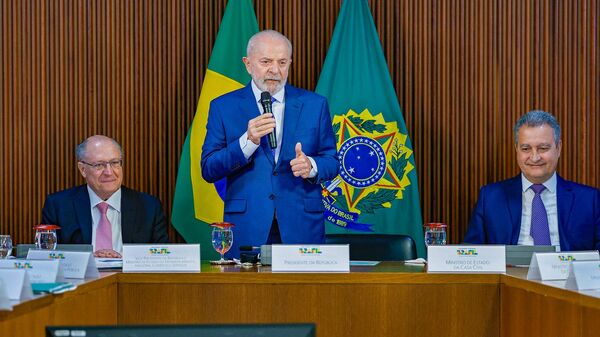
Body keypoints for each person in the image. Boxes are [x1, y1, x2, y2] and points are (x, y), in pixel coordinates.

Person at [201, 30, 339, 258]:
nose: (275, 70)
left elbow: (332, 162)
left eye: (282, 62)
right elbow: (208, 168)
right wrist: (247, 142)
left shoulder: (315, 105)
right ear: (248, 64)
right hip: (247, 226)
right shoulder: (223, 107)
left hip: (301, 226)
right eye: (266, 62)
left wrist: (312, 166)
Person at [464, 110, 600, 251]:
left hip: (567, 272)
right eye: (526, 148)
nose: (534, 157)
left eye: (543, 148)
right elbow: (472, 255)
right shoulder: (490, 198)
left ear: (558, 148)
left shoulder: (590, 200)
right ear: (516, 149)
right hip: (509, 271)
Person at [42, 135, 169, 257]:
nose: (109, 172)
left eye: (114, 163)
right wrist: (88, 259)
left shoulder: (149, 207)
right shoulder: (58, 206)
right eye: (99, 165)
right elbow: (48, 257)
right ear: (82, 169)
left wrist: (124, 260)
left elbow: (161, 258)